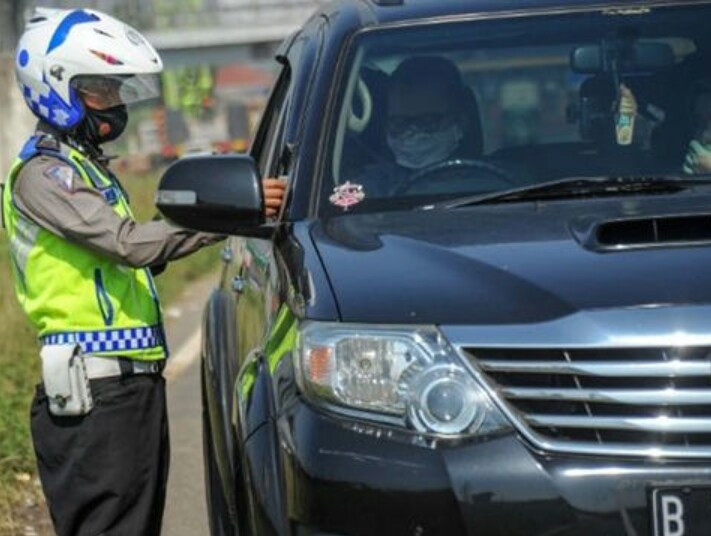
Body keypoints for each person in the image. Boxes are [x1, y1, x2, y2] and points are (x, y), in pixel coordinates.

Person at [3, 8, 283, 536]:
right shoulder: (44, 175)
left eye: (114, 90)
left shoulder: (84, 168)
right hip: (94, 397)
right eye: (100, 91)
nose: (113, 104)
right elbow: (128, 245)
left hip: (128, 388)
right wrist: (231, 218)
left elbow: (144, 250)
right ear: (56, 88)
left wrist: (213, 203)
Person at [347, 56, 484, 197]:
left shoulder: (501, 180)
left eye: (428, 122)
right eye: (399, 123)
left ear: (461, 121)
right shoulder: (378, 184)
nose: (412, 133)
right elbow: (345, 200)